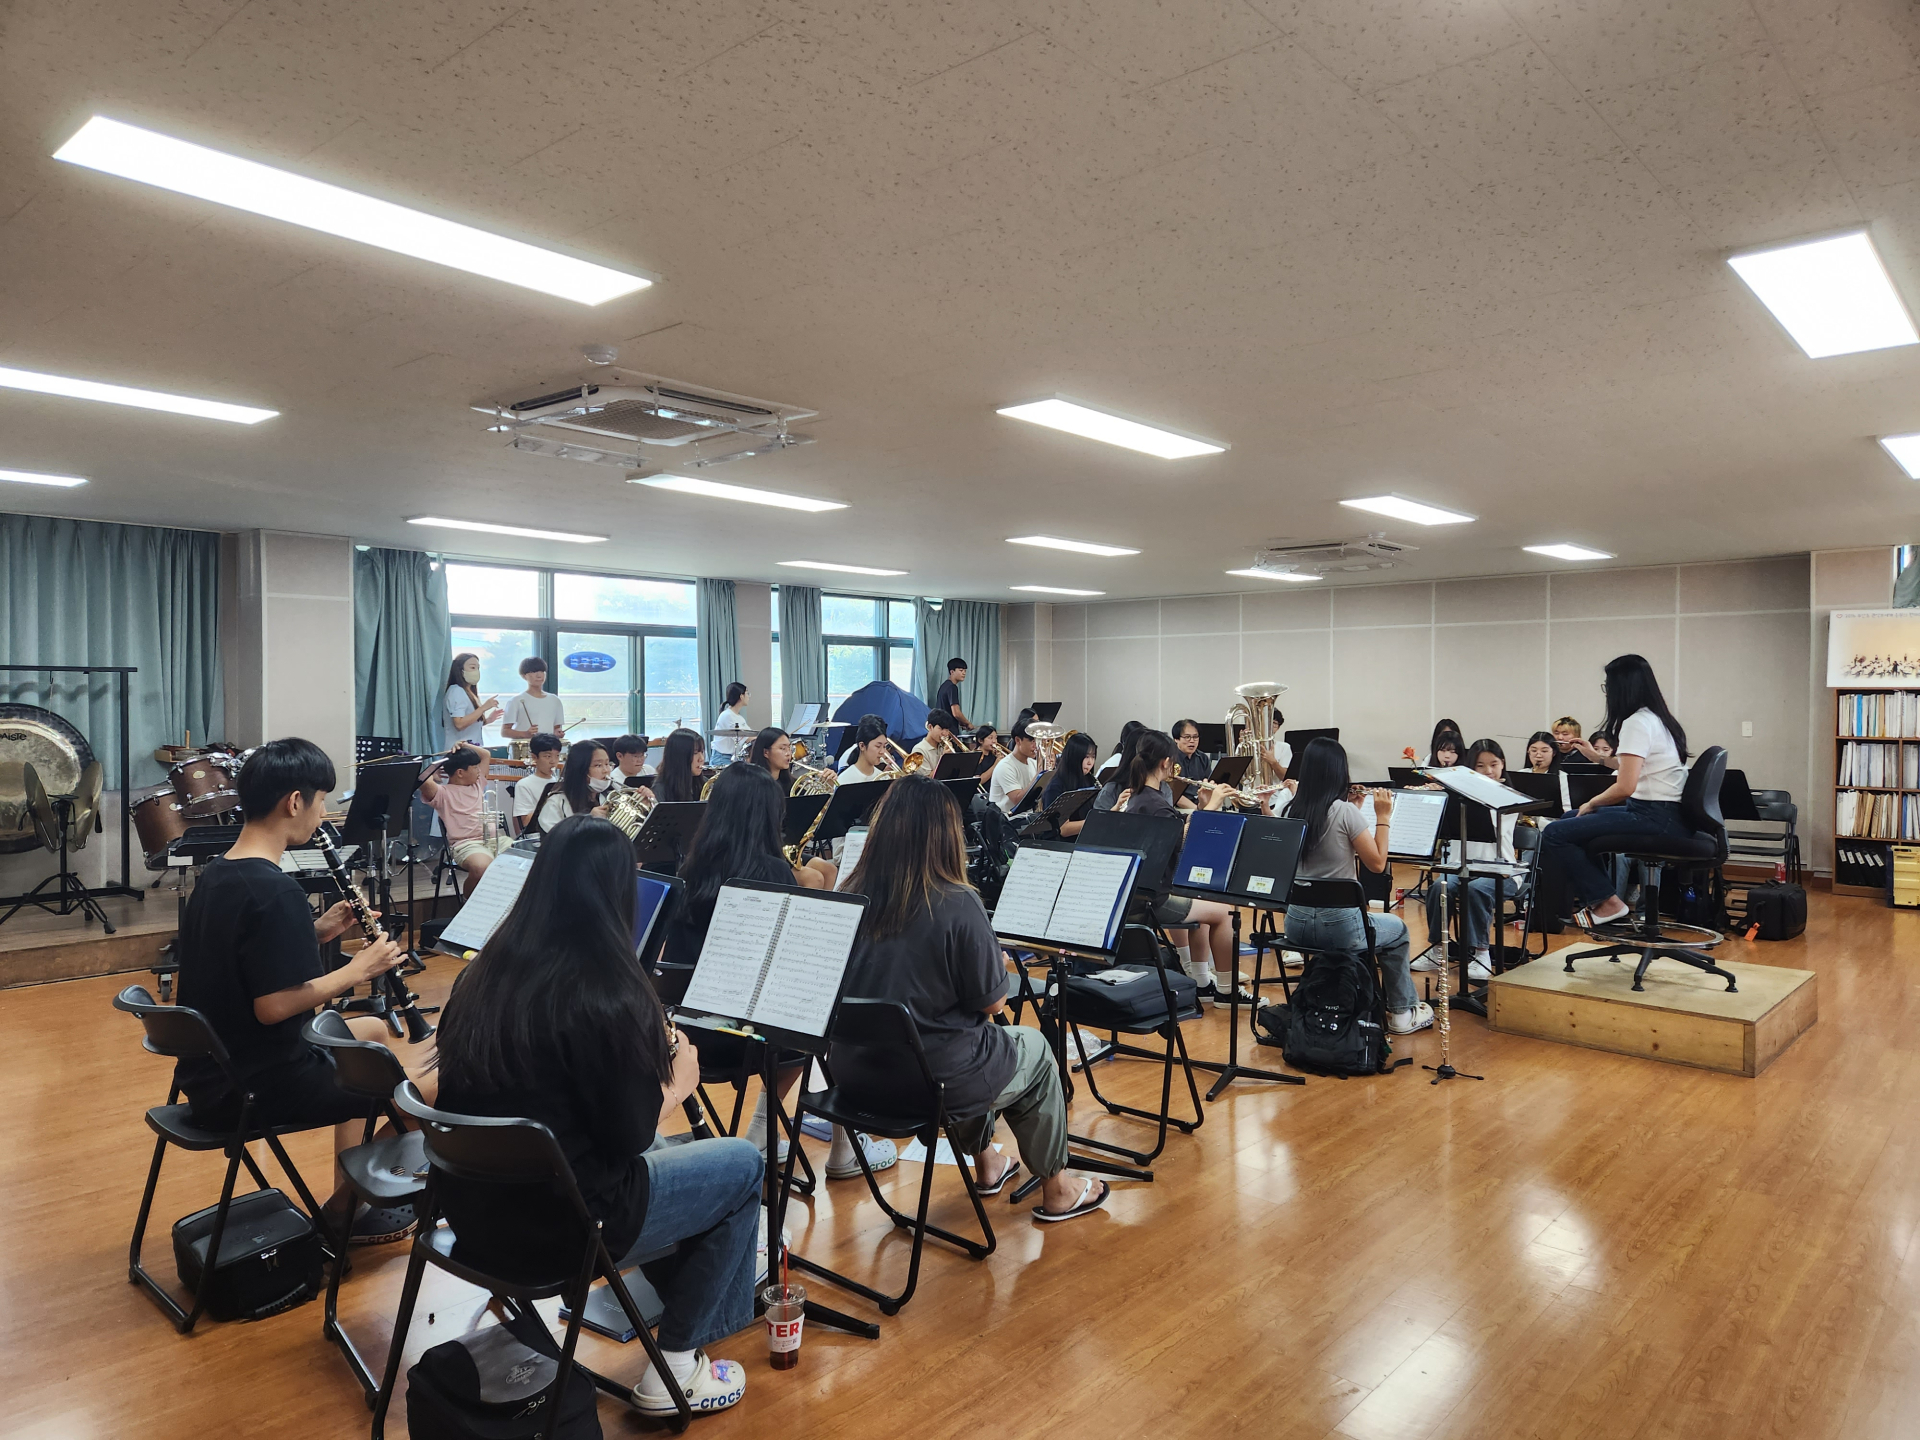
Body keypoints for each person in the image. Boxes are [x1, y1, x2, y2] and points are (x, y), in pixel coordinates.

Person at [434, 816, 754, 1417]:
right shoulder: (607, 993)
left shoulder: (482, 974)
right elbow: (627, 1137)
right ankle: (679, 1366)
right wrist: (676, 1085)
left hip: (474, 1216)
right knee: (741, 1166)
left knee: (675, 1163)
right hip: (568, 1229)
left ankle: (688, 1298)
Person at [171, 738, 427, 1244]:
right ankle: (343, 1210)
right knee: (425, 1086)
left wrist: (316, 932)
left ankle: (349, 1207)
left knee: (373, 1028)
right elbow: (272, 1007)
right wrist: (358, 969)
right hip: (257, 1084)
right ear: (294, 801)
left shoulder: (220, 875)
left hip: (211, 1072)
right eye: (321, 801)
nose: (324, 814)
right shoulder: (277, 890)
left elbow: (242, 956)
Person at [837, 775, 1108, 1222]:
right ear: (944, 835)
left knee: (961, 1041)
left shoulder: (847, 895)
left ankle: (989, 1166)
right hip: (930, 1084)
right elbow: (992, 1005)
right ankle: (1058, 1190)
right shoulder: (957, 901)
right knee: (1033, 1049)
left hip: (855, 1079)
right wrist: (994, 965)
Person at [664, 764, 890, 1177]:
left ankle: (766, 1135)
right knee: (821, 1019)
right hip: (743, 1035)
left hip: (693, 1036)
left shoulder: (689, 871)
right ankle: (839, 1146)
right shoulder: (767, 873)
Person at [1278, 738, 1432, 1035]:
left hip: (1295, 925)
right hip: (1338, 927)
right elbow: (1376, 864)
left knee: (1366, 929)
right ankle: (1401, 1011)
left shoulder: (1288, 808)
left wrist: (1356, 811)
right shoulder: (1343, 811)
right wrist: (1383, 818)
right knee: (1398, 931)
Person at [1539, 654, 1692, 927]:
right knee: (1567, 822)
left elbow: (1625, 786)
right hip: (1667, 815)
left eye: (1608, 686)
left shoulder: (1637, 722)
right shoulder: (1659, 719)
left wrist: (1592, 803)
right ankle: (1603, 900)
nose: (1607, 693)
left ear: (1622, 687)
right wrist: (1596, 757)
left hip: (1654, 816)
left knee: (1555, 833)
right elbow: (1633, 767)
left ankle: (1607, 902)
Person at [1114, 731, 1241, 1004]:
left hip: (1141, 892)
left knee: (1203, 903)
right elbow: (1185, 844)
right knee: (1226, 914)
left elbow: (1173, 833)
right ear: (1165, 763)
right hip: (1153, 899)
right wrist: (1214, 806)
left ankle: (1201, 983)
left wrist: (1203, 805)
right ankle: (1228, 992)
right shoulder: (1156, 805)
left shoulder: (1141, 798)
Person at [1415, 739, 1524, 982]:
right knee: (1438, 887)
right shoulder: (1459, 798)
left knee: (1475, 890)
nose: (1488, 771)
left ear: (1503, 765)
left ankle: (1482, 954)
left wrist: (1485, 794)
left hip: (1502, 871)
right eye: (1480, 766)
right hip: (1462, 866)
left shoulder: (1511, 797)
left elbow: (1493, 828)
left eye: (1494, 764)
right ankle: (1437, 949)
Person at [418, 744, 494, 887]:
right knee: (481, 868)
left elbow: (485, 754)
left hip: (493, 840)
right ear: (460, 772)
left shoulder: (477, 784)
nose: (479, 771)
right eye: (475, 767)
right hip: (466, 845)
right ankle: (469, 903)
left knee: (527, 859)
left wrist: (463, 744)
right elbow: (422, 780)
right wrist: (434, 773)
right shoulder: (442, 793)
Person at [535, 739, 612, 832]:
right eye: (598, 765)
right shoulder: (557, 803)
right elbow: (555, 841)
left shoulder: (608, 797)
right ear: (580, 769)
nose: (606, 770)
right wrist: (587, 822)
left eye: (607, 764)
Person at [1040, 732, 1100, 838]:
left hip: (1083, 840)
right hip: (1060, 847)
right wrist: (1096, 822)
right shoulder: (1056, 787)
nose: (1090, 762)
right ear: (1074, 757)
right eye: (1086, 757)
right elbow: (1064, 829)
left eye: (1093, 757)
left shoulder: (1089, 780)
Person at [444, 653, 501, 750]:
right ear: (460, 670)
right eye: (472, 667)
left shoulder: (470, 693)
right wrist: (483, 708)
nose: (476, 672)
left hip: (473, 750)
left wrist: (487, 720)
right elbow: (459, 724)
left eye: (478, 668)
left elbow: (470, 725)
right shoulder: (456, 691)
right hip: (459, 751)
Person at [512, 733, 565, 837]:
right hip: (537, 837)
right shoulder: (524, 785)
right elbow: (526, 822)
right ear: (535, 757)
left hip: (558, 833)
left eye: (557, 756)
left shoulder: (558, 782)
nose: (553, 761)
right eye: (548, 756)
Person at [500, 657, 564, 741]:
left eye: (542, 671)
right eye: (533, 672)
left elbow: (556, 728)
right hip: (524, 750)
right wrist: (525, 734)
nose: (539, 675)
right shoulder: (516, 700)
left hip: (547, 750)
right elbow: (505, 731)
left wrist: (557, 733)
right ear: (524, 676)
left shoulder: (555, 700)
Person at [988, 722, 1043, 816]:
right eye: (1032, 740)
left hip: (1027, 817)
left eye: (1038, 740)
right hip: (1006, 820)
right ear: (1018, 740)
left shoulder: (1033, 763)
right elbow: (1018, 801)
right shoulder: (1005, 766)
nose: (1036, 745)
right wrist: (1039, 775)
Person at [651, 728, 708, 805]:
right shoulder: (661, 789)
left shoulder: (705, 784)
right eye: (695, 753)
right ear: (679, 757)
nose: (701, 759)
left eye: (702, 752)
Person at [838, 715, 893, 786]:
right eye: (878, 746)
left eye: (884, 746)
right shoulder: (845, 780)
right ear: (862, 746)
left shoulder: (884, 778)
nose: (882, 751)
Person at [746, 727, 799, 795]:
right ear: (766, 752)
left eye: (789, 748)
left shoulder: (794, 785)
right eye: (783, 748)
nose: (788, 753)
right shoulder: (752, 787)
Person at [710, 682, 751, 764]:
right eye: (747, 693)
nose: (749, 696)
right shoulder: (727, 715)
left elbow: (751, 734)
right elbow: (746, 737)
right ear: (741, 696)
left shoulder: (739, 717)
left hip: (731, 757)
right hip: (722, 758)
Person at [911, 709, 958, 774]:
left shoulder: (943, 747)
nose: (945, 733)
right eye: (941, 729)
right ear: (930, 727)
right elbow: (927, 779)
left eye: (947, 730)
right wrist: (944, 760)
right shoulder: (919, 750)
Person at [935, 658, 972, 732]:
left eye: (965, 671)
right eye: (961, 670)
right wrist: (968, 723)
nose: (964, 673)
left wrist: (961, 722)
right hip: (949, 731)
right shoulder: (952, 687)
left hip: (941, 729)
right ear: (952, 672)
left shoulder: (944, 685)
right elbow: (956, 713)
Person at [1170, 719, 1211, 783]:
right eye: (1187, 737)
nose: (1192, 741)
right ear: (1176, 739)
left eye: (1195, 737)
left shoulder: (1203, 758)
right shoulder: (1170, 758)